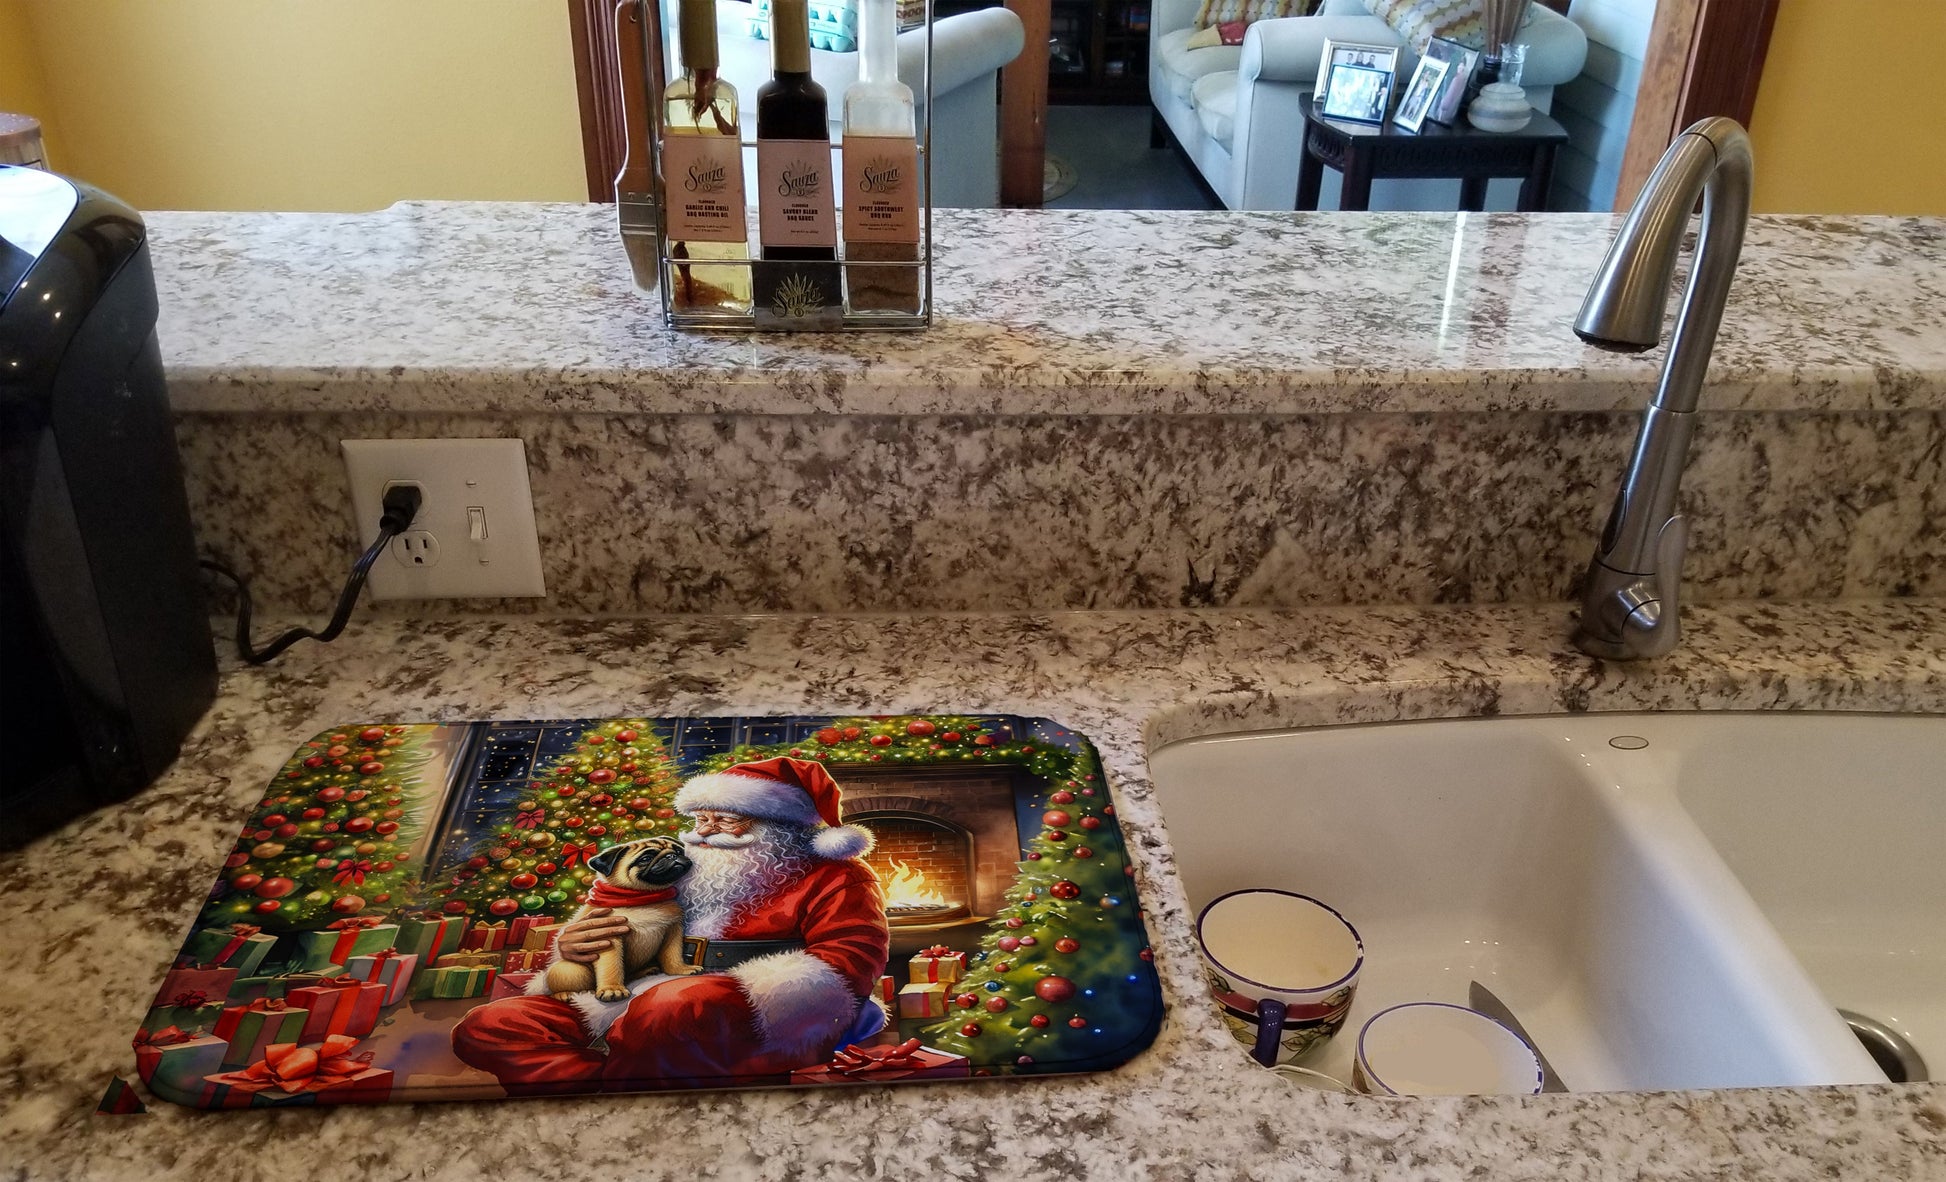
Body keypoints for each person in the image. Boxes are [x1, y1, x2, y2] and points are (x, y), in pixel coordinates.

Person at [452, 757, 890, 1093]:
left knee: (672, 1006)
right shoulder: (680, 867)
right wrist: (578, 945)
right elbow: (621, 919)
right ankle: (593, 1092)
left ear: (780, 827)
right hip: (644, 985)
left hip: (758, 1005)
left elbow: (847, 961)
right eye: (700, 819)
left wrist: (735, 989)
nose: (705, 832)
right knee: (493, 1023)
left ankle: (626, 1095)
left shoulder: (837, 876)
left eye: (726, 819)